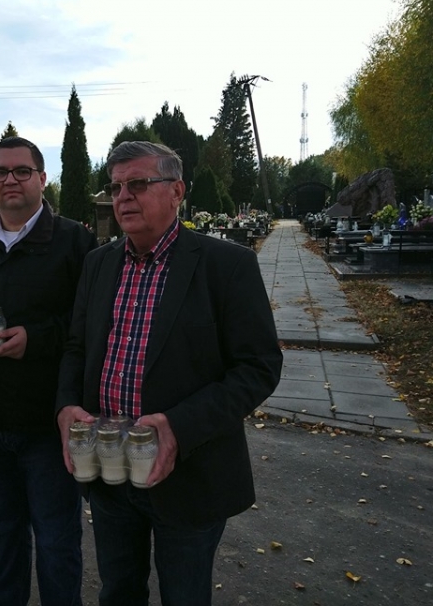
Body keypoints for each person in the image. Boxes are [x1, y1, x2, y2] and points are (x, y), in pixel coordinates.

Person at [56, 141, 283, 606]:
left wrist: (178, 427)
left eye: (138, 184)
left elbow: (259, 367)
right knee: (118, 592)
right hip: (110, 468)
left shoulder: (227, 265)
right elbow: (77, 347)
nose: (123, 196)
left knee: (184, 595)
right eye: (116, 187)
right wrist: (66, 406)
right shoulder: (99, 264)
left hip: (190, 475)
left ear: (177, 191)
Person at [0, 136, 97, 606]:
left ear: (42, 179)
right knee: (1, 536)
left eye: (21, 171)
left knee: (56, 540)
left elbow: (91, 323)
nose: (10, 180)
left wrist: (35, 338)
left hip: (49, 421)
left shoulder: (74, 242)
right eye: (0, 172)